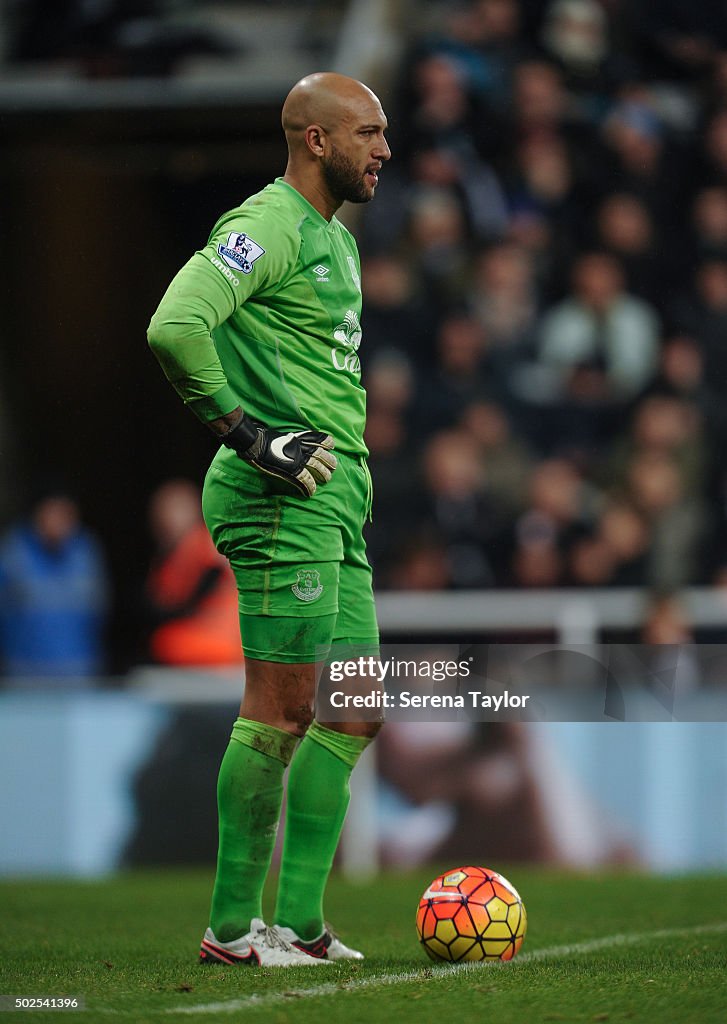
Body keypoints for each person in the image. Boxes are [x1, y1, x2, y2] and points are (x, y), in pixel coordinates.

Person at [147, 72, 391, 967]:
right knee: (281, 713)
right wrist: (249, 436)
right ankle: (227, 931)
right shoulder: (268, 227)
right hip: (279, 494)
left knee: (356, 707)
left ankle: (298, 925)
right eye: (367, 132)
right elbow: (176, 326)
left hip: (338, 496)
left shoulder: (334, 237)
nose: (384, 149)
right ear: (316, 140)